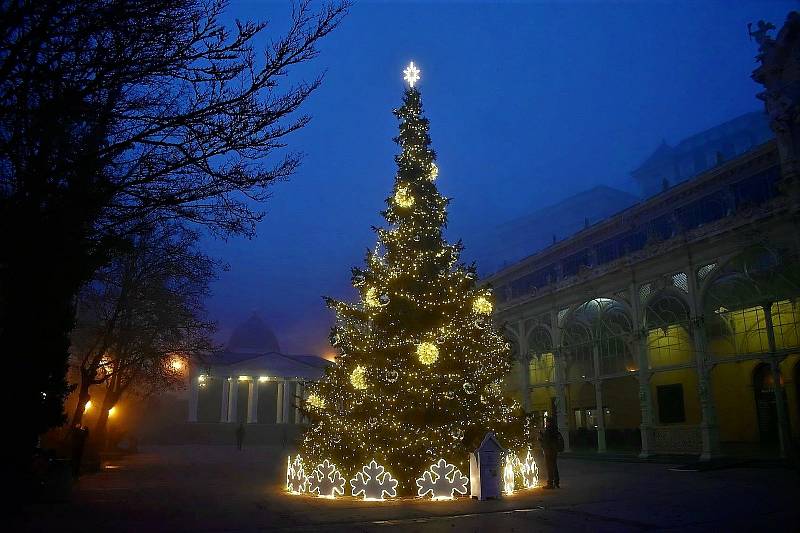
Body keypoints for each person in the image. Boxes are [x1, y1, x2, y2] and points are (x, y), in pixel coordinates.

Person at [540, 416, 563, 489]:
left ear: (548, 422)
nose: (546, 423)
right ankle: (556, 482)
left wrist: (541, 439)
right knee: (554, 466)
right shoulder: (555, 429)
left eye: (546, 422)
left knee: (549, 467)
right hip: (554, 450)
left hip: (549, 450)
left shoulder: (548, 429)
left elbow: (546, 441)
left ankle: (550, 483)